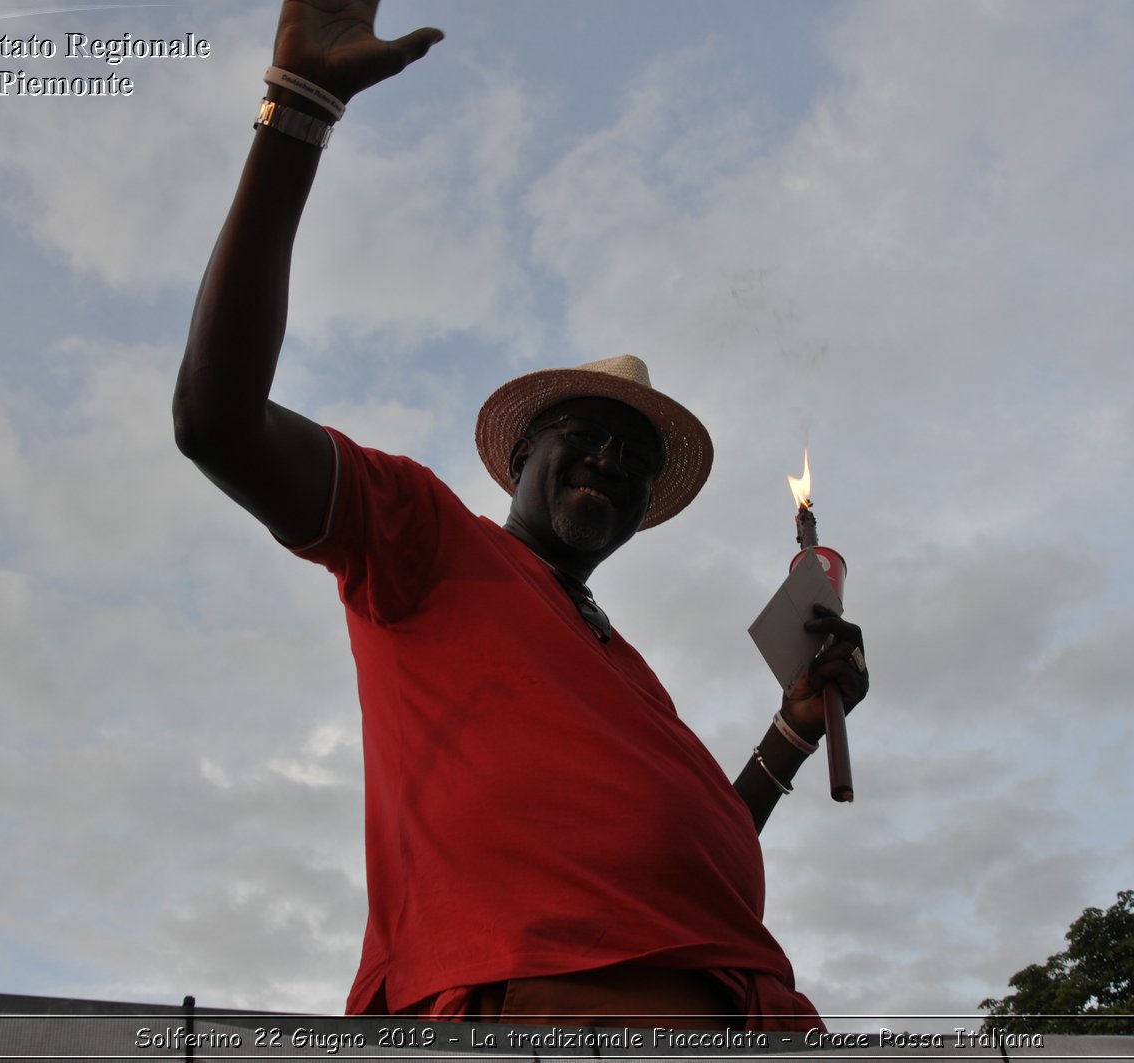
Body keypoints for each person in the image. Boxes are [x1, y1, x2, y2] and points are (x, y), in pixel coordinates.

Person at [172, 0, 868, 1031]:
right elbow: (216, 420)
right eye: (586, 435)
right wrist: (300, 111)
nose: (611, 463)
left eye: (635, 462)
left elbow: (700, 857)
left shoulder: (627, 671)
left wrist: (791, 731)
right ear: (519, 455)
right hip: (538, 1009)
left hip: (747, 1014)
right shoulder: (420, 535)